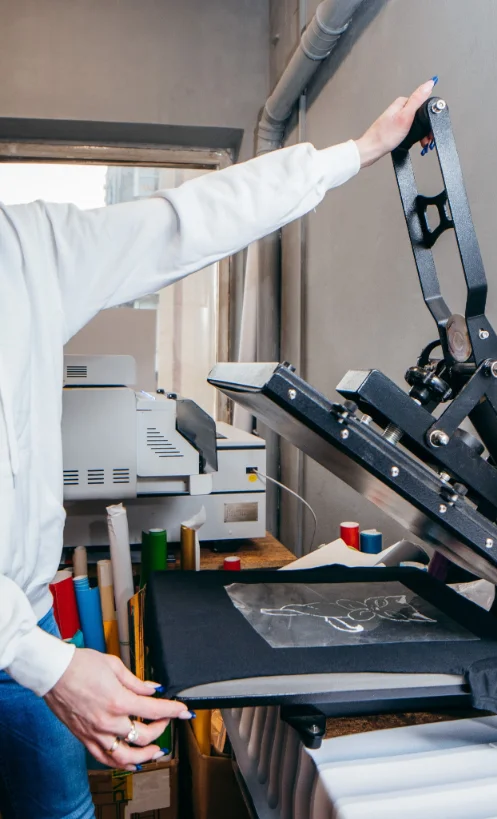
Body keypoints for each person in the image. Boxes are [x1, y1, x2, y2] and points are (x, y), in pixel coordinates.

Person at [0, 78, 436, 819]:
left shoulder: (24, 244)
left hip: (25, 618)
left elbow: (185, 220)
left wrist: (353, 155)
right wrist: (51, 666)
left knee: (63, 809)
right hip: (26, 645)